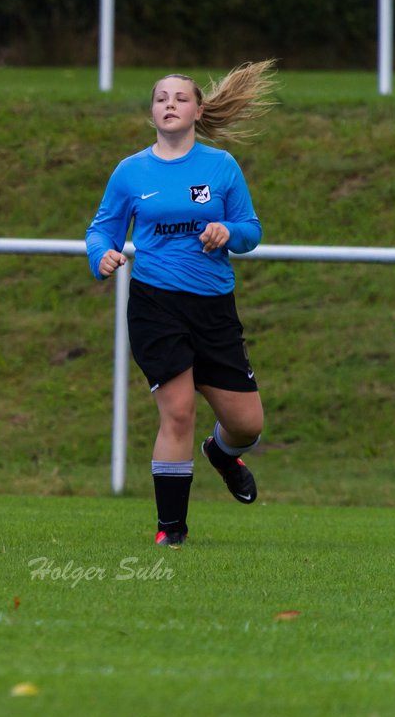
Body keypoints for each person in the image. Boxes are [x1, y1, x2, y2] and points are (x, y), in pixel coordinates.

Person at [85, 61, 278, 548]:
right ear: (152, 112)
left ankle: (221, 452)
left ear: (198, 110)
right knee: (177, 412)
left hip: (213, 306)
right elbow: (102, 229)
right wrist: (100, 255)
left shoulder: (221, 167)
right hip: (155, 304)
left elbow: (251, 231)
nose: (169, 104)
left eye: (180, 98)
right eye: (161, 98)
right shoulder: (131, 172)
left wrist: (228, 232)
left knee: (248, 425)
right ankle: (171, 530)